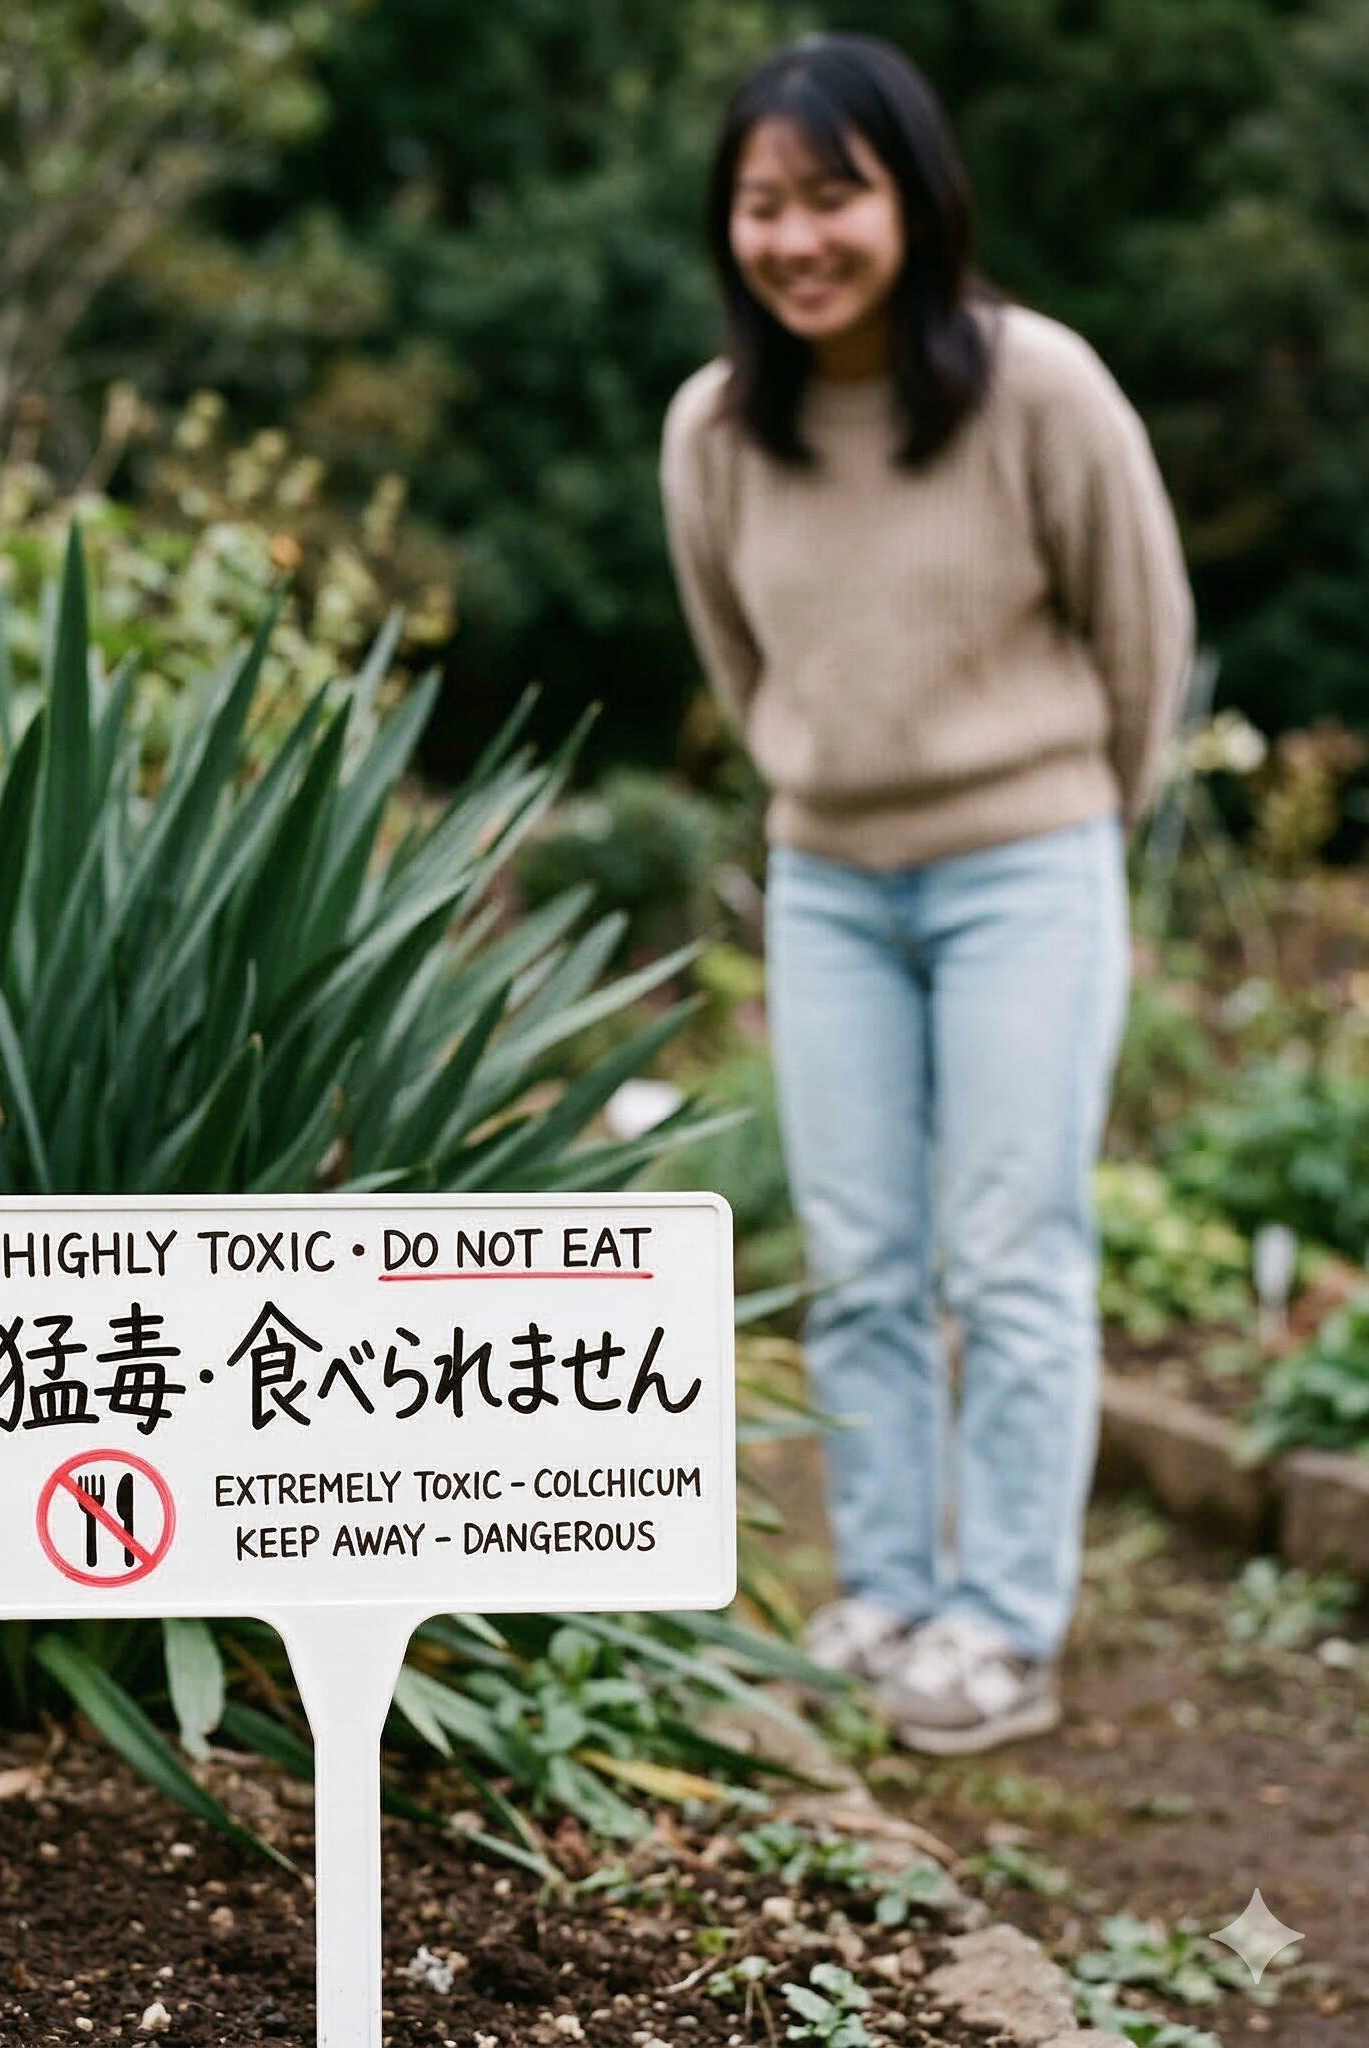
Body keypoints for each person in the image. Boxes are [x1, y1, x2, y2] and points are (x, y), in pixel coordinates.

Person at [659, 33, 1193, 1754]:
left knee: (1013, 1252)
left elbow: (1145, 633)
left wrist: (1072, 822)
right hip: (829, 886)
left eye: (835, 197)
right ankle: (886, 1588)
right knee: (869, 1261)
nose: (798, 239)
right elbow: (743, 663)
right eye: (764, 205)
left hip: (1028, 869)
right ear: (728, 225)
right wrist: (833, 784)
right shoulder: (719, 430)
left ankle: (1003, 1626)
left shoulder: (1041, 388)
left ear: (915, 199)